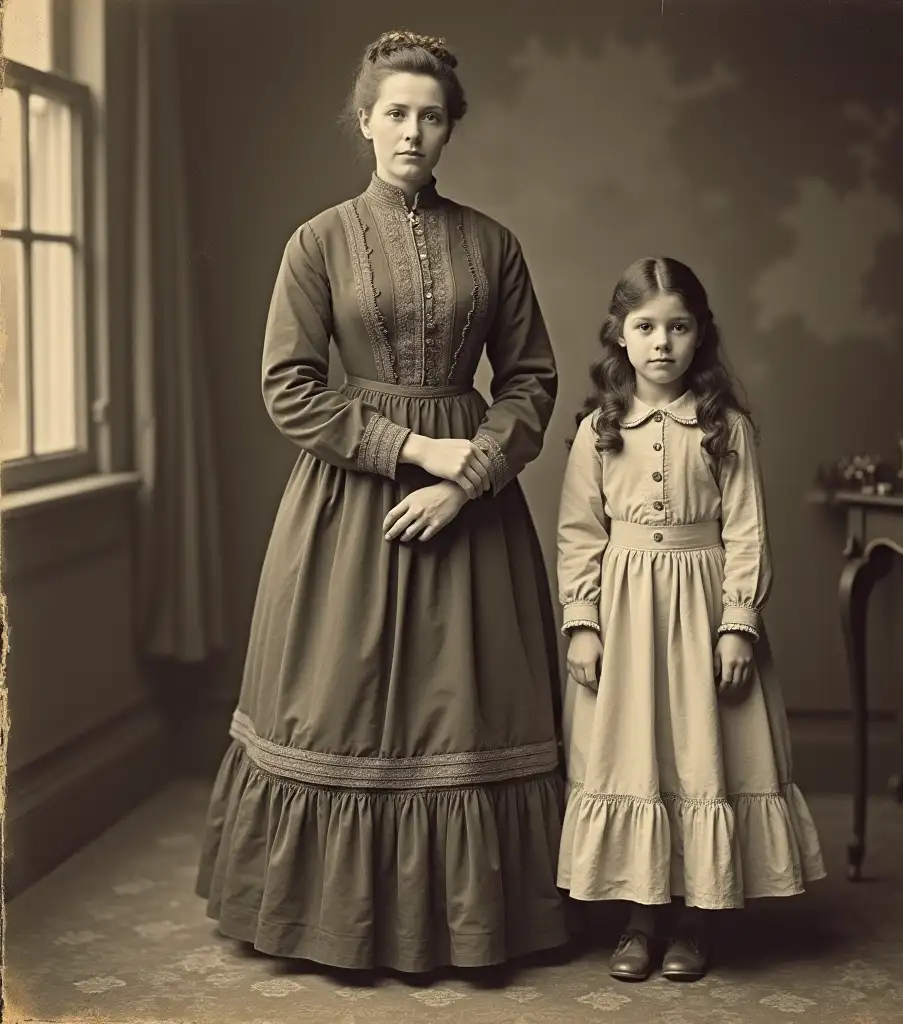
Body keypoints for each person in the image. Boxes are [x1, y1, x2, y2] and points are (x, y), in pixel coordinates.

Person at [195, 29, 568, 974]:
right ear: (365, 123)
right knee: (340, 698)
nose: (412, 132)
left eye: (431, 117)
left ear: (451, 131)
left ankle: (478, 923)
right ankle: (333, 919)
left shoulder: (493, 242)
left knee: (465, 703)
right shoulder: (316, 242)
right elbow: (289, 387)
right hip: (349, 505)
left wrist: (469, 477)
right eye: (395, 113)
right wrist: (411, 448)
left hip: (470, 509)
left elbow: (530, 380)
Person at [556, 257, 825, 983]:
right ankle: (639, 918)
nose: (661, 344)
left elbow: (748, 532)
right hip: (627, 615)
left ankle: (696, 920)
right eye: (645, 327)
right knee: (639, 755)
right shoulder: (599, 430)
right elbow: (580, 532)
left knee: (703, 754)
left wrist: (738, 624)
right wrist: (582, 621)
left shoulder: (724, 427)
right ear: (620, 335)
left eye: (678, 327)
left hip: (704, 608)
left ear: (701, 335)